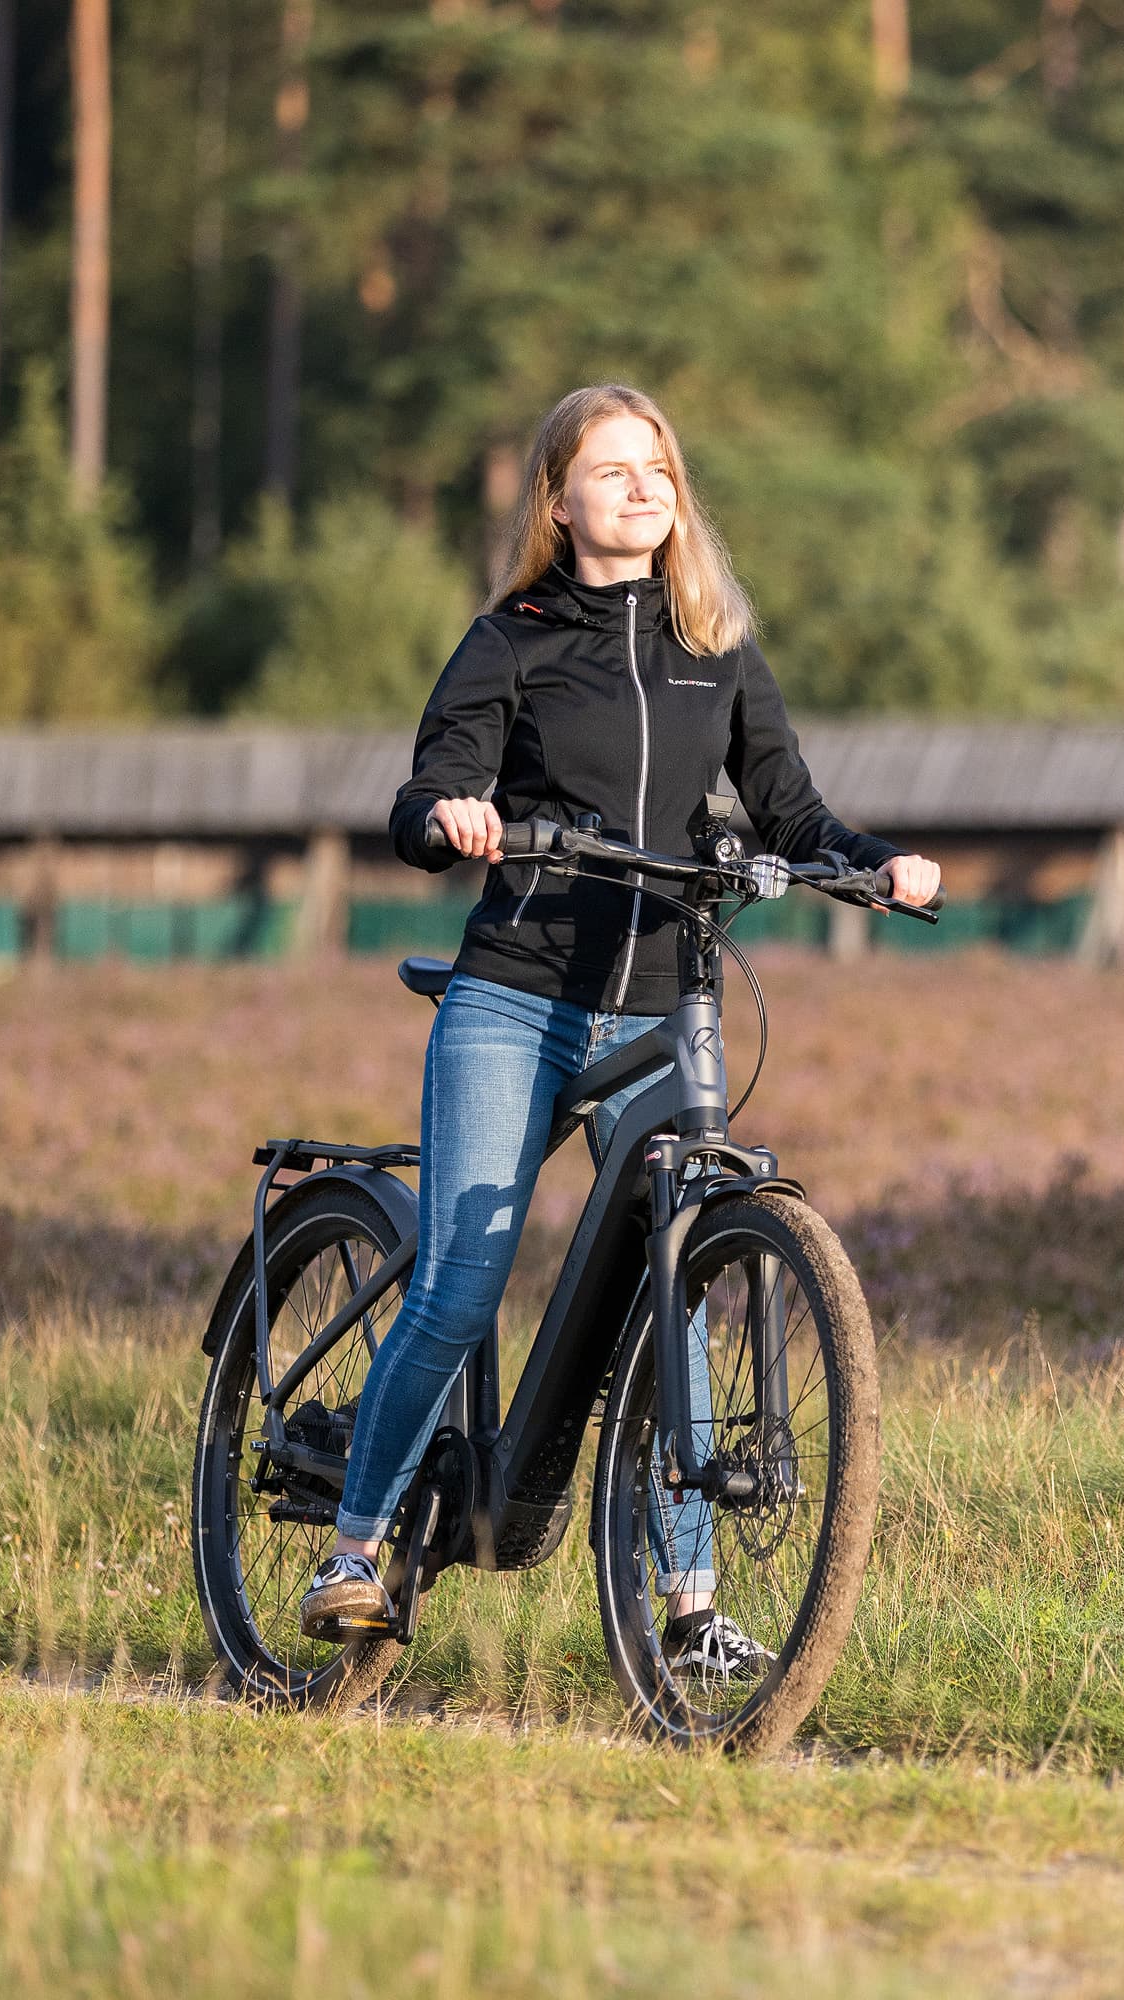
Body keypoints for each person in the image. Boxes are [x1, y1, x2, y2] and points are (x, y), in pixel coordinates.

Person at [298, 384, 940, 1675]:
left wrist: (877, 867)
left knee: (685, 1286)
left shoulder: (717, 644)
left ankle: (691, 1612)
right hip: (518, 993)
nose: (643, 488)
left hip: (666, 996)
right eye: (612, 470)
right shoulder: (514, 638)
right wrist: (453, 822)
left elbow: (790, 812)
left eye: (657, 468)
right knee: (463, 1283)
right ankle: (356, 1545)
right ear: (558, 500)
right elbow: (427, 790)